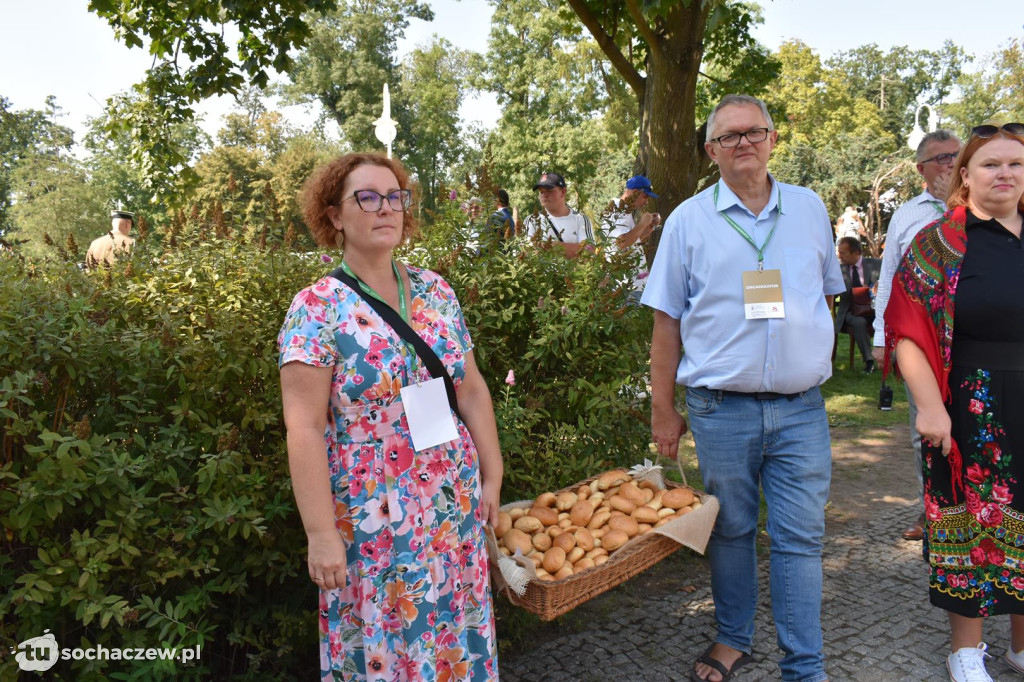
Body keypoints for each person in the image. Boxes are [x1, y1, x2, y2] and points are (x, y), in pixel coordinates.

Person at [277, 152, 502, 680]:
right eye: (368, 198)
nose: (386, 208)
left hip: (451, 499)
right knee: (384, 633)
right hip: (371, 512)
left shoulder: (435, 291)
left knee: (453, 628)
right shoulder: (316, 308)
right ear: (334, 215)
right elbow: (303, 427)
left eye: (395, 196)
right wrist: (320, 534)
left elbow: (470, 390)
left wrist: (492, 474)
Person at [643, 94, 844, 682]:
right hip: (720, 408)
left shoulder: (809, 209)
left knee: (800, 536)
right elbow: (666, 323)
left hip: (801, 407)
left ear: (773, 139)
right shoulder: (687, 220)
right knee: (730, 530)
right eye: (729, 137)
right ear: (711, 151)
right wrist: (663, 409)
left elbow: (824, 291)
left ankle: (804, 666)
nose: (744, 144)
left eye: (754, 132)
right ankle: (733, 638)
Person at [885, 122, 1024, 682]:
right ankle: (966, 649)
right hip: (968, 402)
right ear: (964, 176)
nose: (1006, 174)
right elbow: (910, 332)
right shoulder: (939, 243)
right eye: (991, 164)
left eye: (1016, 164)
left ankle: (1020, 646)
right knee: (968, 523)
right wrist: (929, 407)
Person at [872, 129, 962, 542]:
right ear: (921, 169)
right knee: (923, 431)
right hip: (921, 345)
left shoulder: (989, 209)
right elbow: (889, 278)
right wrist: (880, 336)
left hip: (975, 342)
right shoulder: (906, 215)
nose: (949, 165)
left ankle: (988, 510)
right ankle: (935, 512)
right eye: (941, 159)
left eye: (956, 157)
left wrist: (954, 203)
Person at [601, 175, 661, 300]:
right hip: (625, 288)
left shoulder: (626, 212)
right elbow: (621, 242)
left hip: (635, 286)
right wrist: (642, 223)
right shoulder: (616, 211)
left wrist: (647, 230)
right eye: (645, 196)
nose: (646, 201)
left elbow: (630, 242)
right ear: (635, 192)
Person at [833, 236, 881, 373]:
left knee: (891, 321)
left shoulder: (876, 264)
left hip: (874, 310)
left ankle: (894, 360)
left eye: (843, 253)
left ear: (856, 253)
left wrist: (877, 286)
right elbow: (833, 293)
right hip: (851, 312)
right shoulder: (839, 270)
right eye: (839, 252)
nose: (839, 256)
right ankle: (869, 361)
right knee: (859, 322)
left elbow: (890, 285)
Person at [523, 172, 594, 258]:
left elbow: (589, 251)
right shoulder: (532, 220)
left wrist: (550, 246)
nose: (544, 195)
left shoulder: (581, 219)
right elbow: (525, 254)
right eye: (541, 192)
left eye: (549, 190)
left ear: (563, 192)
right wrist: (573, 249)